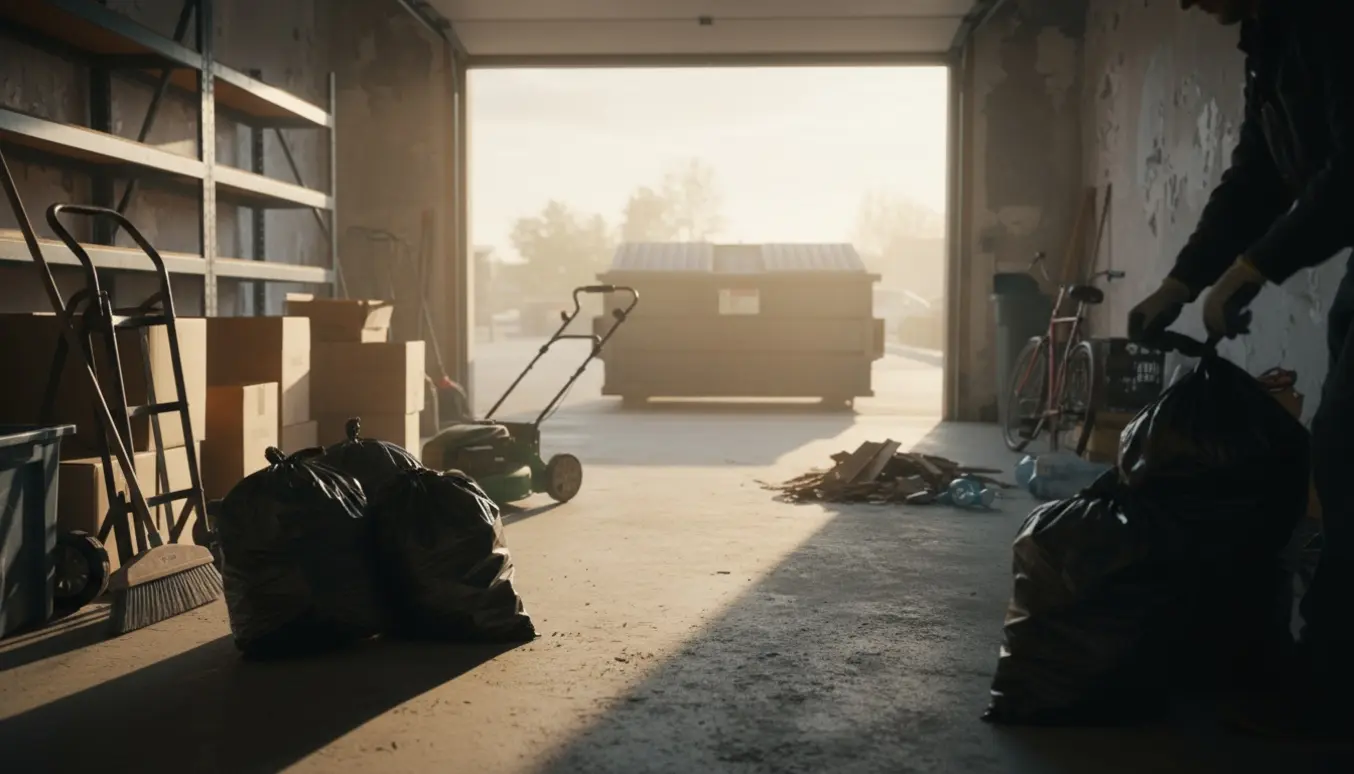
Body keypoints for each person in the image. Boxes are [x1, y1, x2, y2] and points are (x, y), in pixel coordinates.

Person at [1128, 0, 1354, 736]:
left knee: (1344, 454)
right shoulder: (1272, 37)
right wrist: (1184, 279)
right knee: (1338, 455)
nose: (1189, 3)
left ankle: (1329, 686)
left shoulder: (1331, 19)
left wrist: (1256, 267)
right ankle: (1323, 674)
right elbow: (1258, 172)